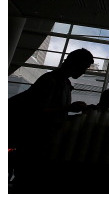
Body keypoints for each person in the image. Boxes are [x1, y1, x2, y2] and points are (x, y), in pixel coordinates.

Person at [8, 48, 93, 186]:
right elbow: (36, 112)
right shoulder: (53, 81)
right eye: (84, 67)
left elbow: (51, 113)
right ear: (74, 63)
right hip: (33, 141)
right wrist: (69, 109)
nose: (84, 71)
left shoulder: (60, 82)